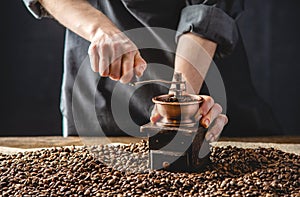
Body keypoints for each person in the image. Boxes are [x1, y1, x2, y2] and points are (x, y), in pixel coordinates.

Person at [22, 0, 280, 140]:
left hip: (205, 85)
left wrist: (181, 103)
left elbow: (207, 11)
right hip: (102, 105)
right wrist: (102, 31)